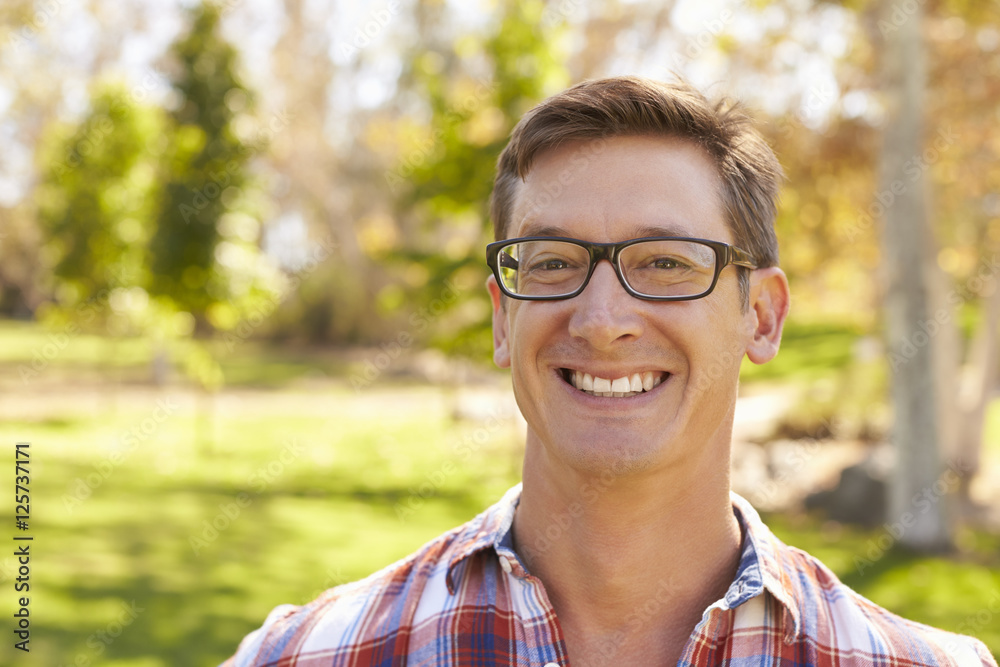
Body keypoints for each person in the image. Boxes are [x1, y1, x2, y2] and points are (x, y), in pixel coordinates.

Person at [221, 76, 997, 666]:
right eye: (553, 262)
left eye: (665, 262)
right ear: (502, 317)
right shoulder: (304, 654)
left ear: (760, 314)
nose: (601, 320)